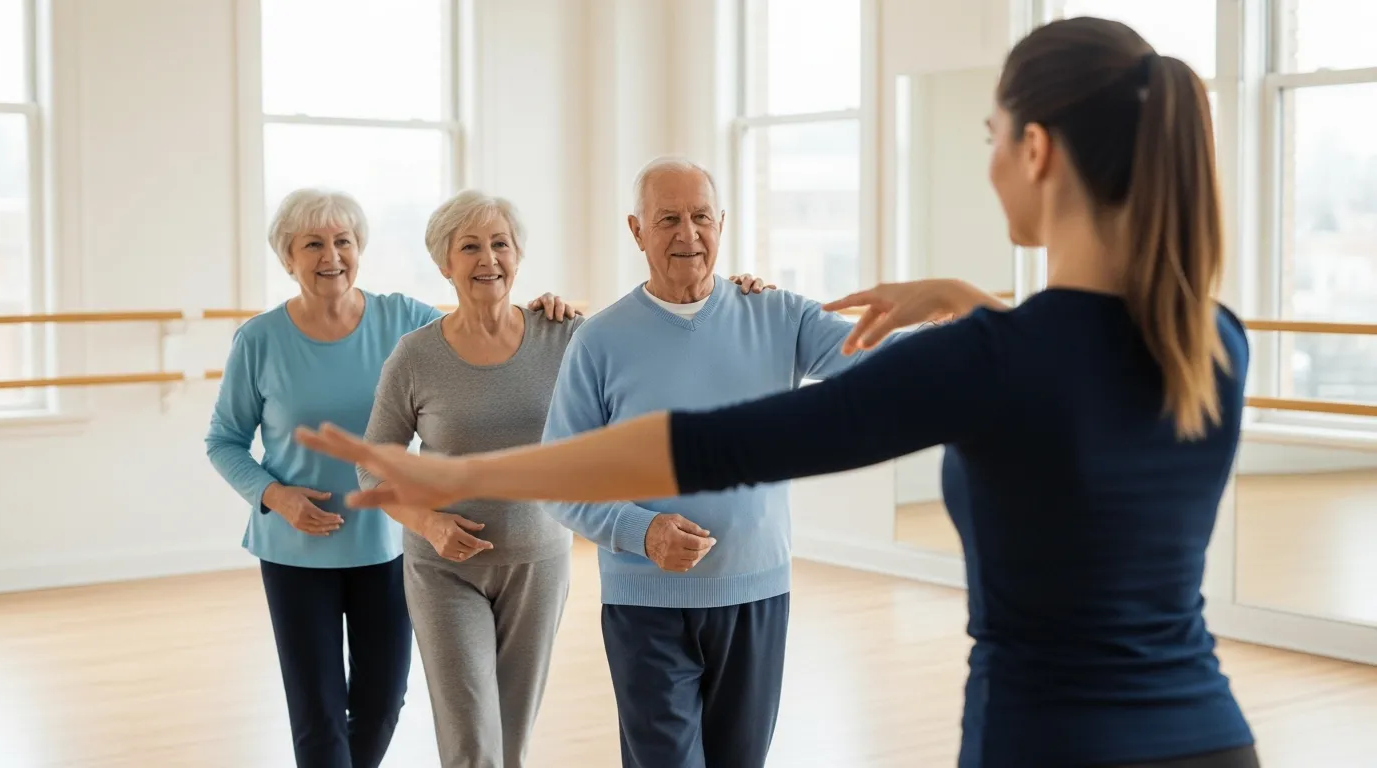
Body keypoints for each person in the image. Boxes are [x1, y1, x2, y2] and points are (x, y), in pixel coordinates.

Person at [293, 17, 1261, 768]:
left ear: (1039, 152)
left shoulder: (989, 360)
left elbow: (709, 444)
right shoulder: (1209, 339)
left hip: (1051, 741)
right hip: (1214, 735)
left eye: (992, 134)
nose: (992, 158)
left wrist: (463, 466)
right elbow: (1068, 358)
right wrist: (971, 301)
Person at [355, 188, 771, 768]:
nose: (488, 260)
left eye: (500, 244)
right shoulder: (416, 356)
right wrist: (427, 522)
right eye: (469, 247)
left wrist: (738, 300)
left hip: (540, 561)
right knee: (473, 740)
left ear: (519, 255)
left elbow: (649, 339)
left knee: (511, 736)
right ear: (444, 263)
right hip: (445, 568)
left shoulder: (563, 334)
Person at [527, 156, 890, 768]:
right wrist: (642, 532)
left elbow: (877, 362)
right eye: (668, 218)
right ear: (637, 231)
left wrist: (961, 331)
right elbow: (560, 479)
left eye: (700, 217)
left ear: (721, 223)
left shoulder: (779, 315)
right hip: (645, 601)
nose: (688, 234)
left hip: (756, 593)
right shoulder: (599, 340)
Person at [203, 187, 578, 768]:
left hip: (384, 547)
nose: (331, 256)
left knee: (381, 706)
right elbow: (223, 440)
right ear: (287, 258)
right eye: (313, 244)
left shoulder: (404, 321)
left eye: (343, 241)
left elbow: (480, 339)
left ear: (359, 249)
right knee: (318, 714)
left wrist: (545, 309)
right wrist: (274, 495)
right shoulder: (260, 340)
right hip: (299, 547)